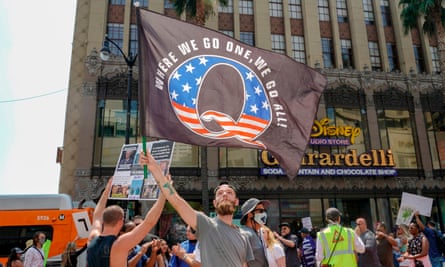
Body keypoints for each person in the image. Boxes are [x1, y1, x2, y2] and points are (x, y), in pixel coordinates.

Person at [140, 151, 254, 266]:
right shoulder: (206, 225)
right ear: (214, 203)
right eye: (220, 193)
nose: (224, 194)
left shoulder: (244, 236)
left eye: (229, 192)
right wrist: (155, 170)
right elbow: (177, 202)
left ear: (236, 201)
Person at [87, 177, 167, 267]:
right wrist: (164, 193)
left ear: (104, 221)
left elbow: (97, 215)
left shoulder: (92, 237)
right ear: (120, 222)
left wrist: (107, 190)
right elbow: (149, 222)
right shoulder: (120, 244)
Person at [240, 198, 270, 267]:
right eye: (260, 211)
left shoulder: (257, 234)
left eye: (264, 211)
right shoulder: (245, 234)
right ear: (250, 214)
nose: (264, 214)